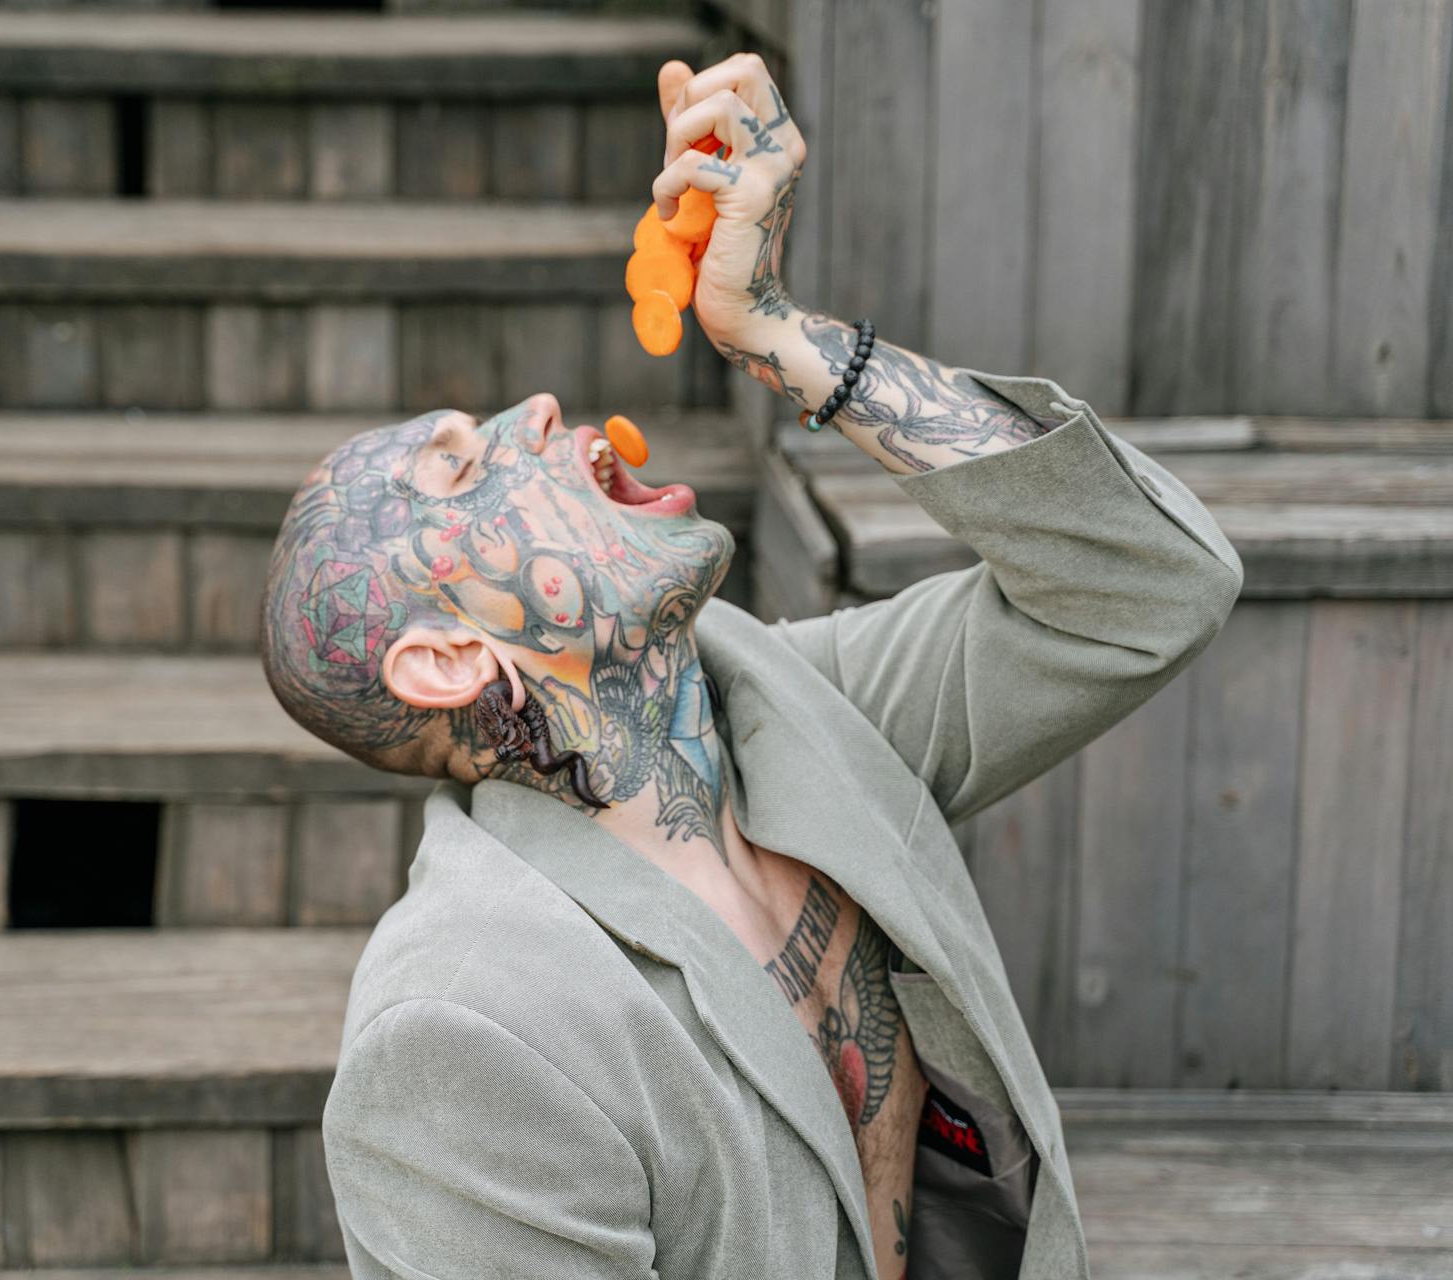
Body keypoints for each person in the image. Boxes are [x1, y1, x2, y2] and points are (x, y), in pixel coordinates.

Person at [259, 52, 1241, 1280]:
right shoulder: (463, 1036)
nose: (541, 408)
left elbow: (1154, 580)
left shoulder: (791, 704)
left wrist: (781, 333)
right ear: (450, 654)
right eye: (461, 467)